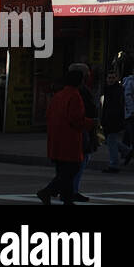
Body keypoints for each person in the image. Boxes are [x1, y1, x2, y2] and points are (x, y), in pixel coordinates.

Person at [38, 69, 93, 205]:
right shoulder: (74, 96)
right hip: (69, 140)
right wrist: (91, 123)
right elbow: (76, 120)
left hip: (56, 139)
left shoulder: (58, 95)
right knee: (70, 170)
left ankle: (67, 199)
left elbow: (49, 114)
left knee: (63, 171)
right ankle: (48, 191)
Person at [69, 63, 99, 202]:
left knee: (79, 161)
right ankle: (69, 189)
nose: (89, 75)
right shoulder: (78, 92)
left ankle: (67, 189)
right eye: (87, 73)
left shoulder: (78, 90)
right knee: (80, 161)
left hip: (83, 129)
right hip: (81, 130)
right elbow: (78, 115)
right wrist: (91, 122)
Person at [101, 70, 132, 172]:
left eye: (113, 78)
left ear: (117, 79)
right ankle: (126, 151)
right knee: (111, 141)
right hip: (110, 119)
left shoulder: (116, 90)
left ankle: (114, 164)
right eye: (109, 78)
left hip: (113, 119)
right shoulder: (110, 89)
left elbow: (116, 107)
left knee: (111, 142)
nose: (110, 80)